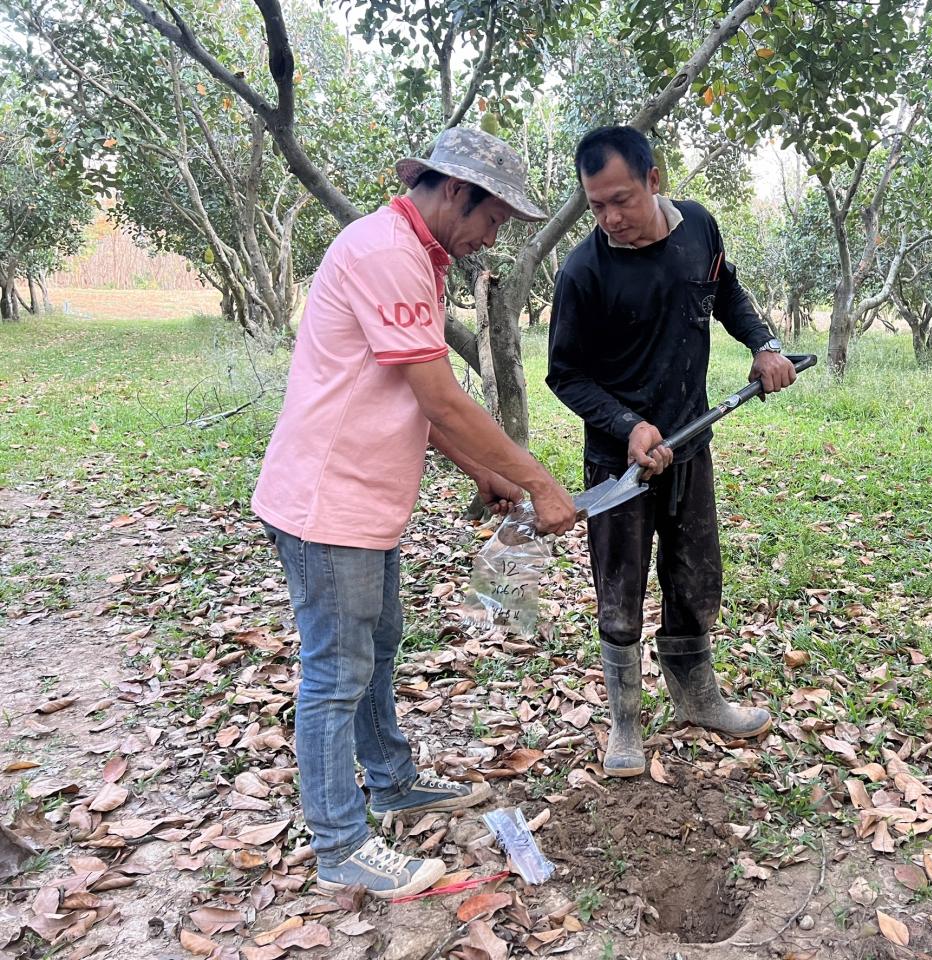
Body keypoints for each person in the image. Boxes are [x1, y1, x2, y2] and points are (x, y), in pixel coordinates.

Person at [252, 127, 576, 899]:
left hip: (364, 502)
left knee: (380, 645)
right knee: (336, 673)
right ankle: (340, 846)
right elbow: (440, 394)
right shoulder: (387, 252)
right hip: (327, 503)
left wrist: (480, 470)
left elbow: (408, 395)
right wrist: (537, 481)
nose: (491, 237)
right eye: (493, 219)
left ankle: (392, 781)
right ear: (455, 191)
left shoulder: (418, 261)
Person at [546, 126, 797, 778]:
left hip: (691, 444)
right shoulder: (584, 271)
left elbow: (727, 294)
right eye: (595, 205)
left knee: (694, 578)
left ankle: (697, 697)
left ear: (654, 180)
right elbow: (565, 374)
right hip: (618, 465)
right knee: (620, 590)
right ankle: (625, 720)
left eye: (621, 199)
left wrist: (764, 345)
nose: (609, 218)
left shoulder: (699, 231)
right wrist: (628, 425)